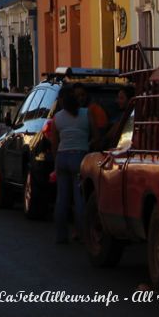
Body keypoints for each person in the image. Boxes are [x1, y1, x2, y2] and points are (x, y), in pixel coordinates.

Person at [50, 86, 91, 244]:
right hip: (80, 156)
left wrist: (56, 161)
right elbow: (96, 134)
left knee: (62, 199)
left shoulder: (57, 118)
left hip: (62, 157)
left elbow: (54, 143)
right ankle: (82, 233)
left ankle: (61, 235)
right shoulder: (86, 114)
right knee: (79, 198)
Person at [73, 82, 106, 150]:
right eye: (77, 96)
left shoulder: (96, 109)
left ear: (87, 95)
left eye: (83, 95)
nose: (81, 98)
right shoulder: (68, 112)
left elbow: (100, 134)